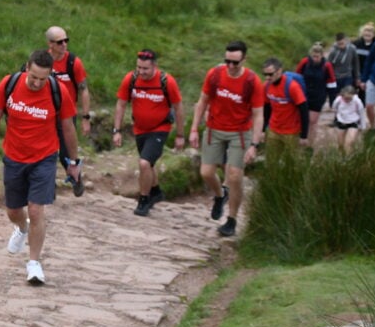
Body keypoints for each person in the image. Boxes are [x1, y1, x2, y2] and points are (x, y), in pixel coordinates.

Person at [0, 50, 81, 284]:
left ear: (50, 75)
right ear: (26, 68)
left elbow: (68, 128)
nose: (37, 83)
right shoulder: (10, 84)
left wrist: (73, 162)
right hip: (14, 157)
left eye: (42, 79)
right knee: (14, 211)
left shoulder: (58, 91)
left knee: (36, 210)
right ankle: (21, 228)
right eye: (33, 77)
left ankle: (34, 263)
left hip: (44, 158)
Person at [189, 41, 265, 237]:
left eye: (235, 63)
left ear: (244, 60)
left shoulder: (251, 81)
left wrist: (254, 145)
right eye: (227, 61)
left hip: (239, 132)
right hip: (214, 129)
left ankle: (231, 219)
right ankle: (220, 195)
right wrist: (194, 129)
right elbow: (202, 102)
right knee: (206, 172)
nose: (230, 67)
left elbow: (258, 114)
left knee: (234, 176)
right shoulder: (214, 75)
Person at [112, 49, 186, 216]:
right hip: (139, 128)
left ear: (155, 67)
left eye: (145, 69)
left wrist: (180, 135)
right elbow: (121, 104)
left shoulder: (166, 81)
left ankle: (143, 200)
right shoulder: (131, 79)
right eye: (139, 67)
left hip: (160, 128)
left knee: (144, 163)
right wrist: (116, 130)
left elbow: (178, 107)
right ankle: (156, 191)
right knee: (149, 165)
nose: (141, 72)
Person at [46, 26, 91, 196]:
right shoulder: (43, 60)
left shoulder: (73, 62)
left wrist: (86, 117)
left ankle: (76, 177)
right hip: (46, 114)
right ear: (50, 43)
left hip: (66, 115)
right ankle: (48, 188)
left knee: (66, 152)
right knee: (47, 151)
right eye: (60, 42)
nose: (64, 44)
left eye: (66, 40)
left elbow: (84, 89)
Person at [261, 57, 310, 149]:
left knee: (291, 162)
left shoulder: (292, 87)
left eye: (270, 74)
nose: (267, 77)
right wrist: (263, 130)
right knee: (271, 161)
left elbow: (304, 111)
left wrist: (304, 136)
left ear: (279, 71)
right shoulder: (266, 86)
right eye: (265, 74)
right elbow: (266, 109)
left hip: (292, 132)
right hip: (273, 130)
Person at [295, 42, 337, 147]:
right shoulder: (305, 62)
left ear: (322, 56)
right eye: (313, 56)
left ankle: (310, 145)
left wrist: (332, 101)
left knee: (313, 121)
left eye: (317, 57)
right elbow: (296, 77)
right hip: (304, 94)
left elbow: (331, 83)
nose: (315, 59)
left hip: (318, 95)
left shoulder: (327, 66)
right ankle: (300, 141)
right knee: (302, 119)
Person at [331, 85, 367, 152]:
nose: (347, 100)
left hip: (353, 123)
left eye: (349, 99)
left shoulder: (357, 101)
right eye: (345, 98)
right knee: (340, 145)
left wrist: (363, 126)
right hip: (341, 122)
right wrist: (337, 117)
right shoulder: (338, 100)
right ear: (342, 96)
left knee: (348, 144)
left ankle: (349, 159)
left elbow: (362, 114)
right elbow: (334, 108)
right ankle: (342, 159)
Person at [352, 22, 375, 104]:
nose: (368, 33)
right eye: (366, 31)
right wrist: (357, 77)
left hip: (369, 77)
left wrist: (365, 79)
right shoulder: (355, 44)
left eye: (370, 32)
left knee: (363, 101)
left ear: (373, 34)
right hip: (355, 75)